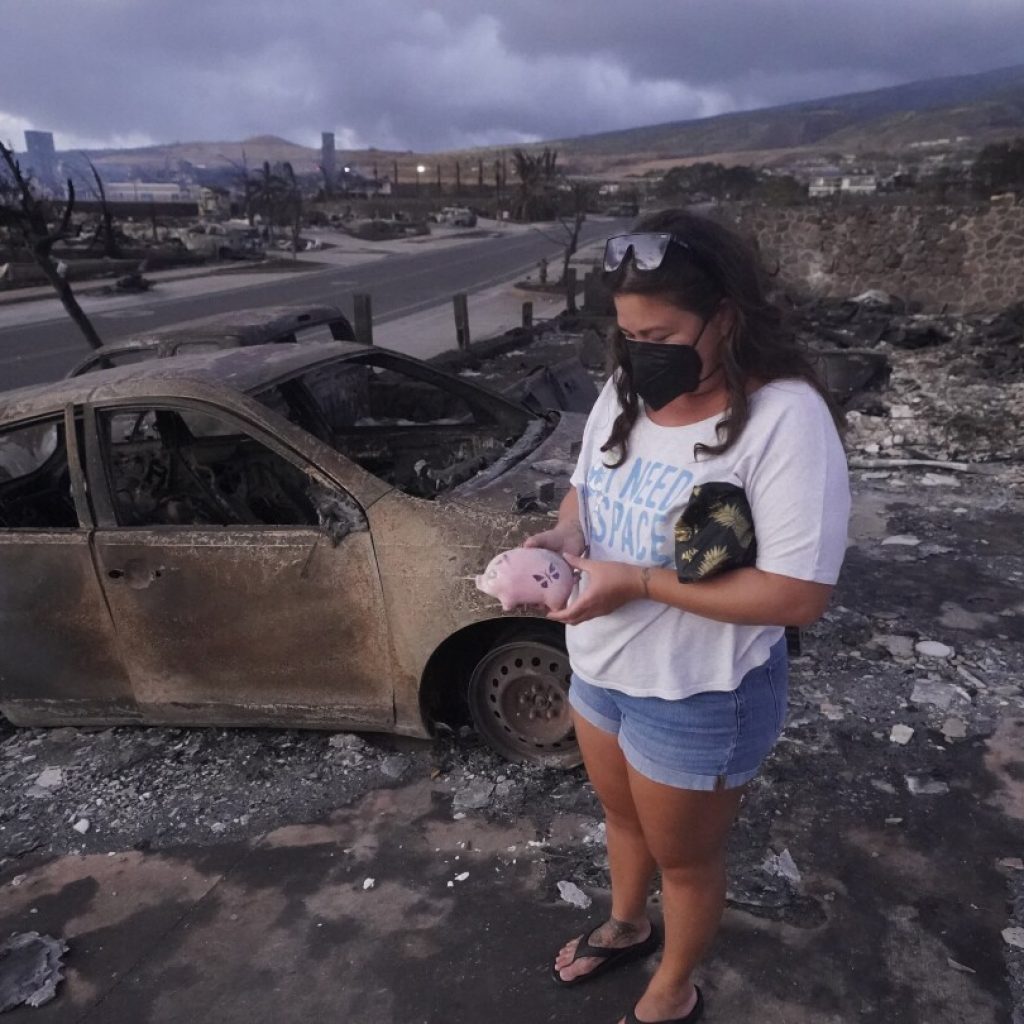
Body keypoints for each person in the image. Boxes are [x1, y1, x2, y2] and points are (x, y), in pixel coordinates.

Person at [524, 208, 850, 1024]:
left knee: (688, 860)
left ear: (727, 317)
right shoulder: (623, 390)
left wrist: (639, 581)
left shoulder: (786, 418)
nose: (640, 353)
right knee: (622, 818)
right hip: (600, 666)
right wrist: (565, 531)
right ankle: (629, 926)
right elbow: (587, 484)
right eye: (629, 333)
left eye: (661, 333)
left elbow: (797, 595)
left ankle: (673, 986)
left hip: (700, 690)